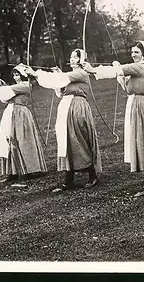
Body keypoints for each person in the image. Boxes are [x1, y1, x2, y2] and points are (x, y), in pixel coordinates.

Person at [83, 41, 144, 197]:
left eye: (136, 52)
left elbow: (116, 71)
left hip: (141, 106)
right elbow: (125, 79)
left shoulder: (140, 66)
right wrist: (117, 69)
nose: (133, 55)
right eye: (132, 52)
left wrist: (92, 69)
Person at [23, 48, 101, 192]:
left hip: (77, 107)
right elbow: (59, 88)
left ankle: (92, 175)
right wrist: (56, 75)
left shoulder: (80, 73)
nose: (72, 59)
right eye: (71, 57)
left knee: (78, 140)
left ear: (81, 59)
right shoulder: (69, 75)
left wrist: (35, 73)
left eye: (75, 57)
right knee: (67, 141)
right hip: (66, 106)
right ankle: (68, 179)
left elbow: (62, 79)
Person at [0, 65, 48, 187]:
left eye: (18, 75)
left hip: (20, 115)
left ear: (24, 75)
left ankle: (25, 171)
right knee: (7, 141)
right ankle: (12, 172)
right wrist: (3, 87)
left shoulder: (26, 85)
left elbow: (7, 92)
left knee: (20, 141)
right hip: (10, 113)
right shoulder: (16, 87)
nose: (16, 77)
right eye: (14, 75)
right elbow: (5, 97)